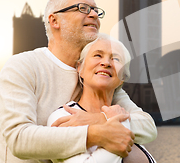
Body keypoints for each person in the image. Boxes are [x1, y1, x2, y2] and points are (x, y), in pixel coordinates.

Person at [0, 0, 157, 163]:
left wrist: (98, 119)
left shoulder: (96, 78)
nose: (94, 14)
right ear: (54, 20)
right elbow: (19, 139)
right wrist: (97, 133)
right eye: (83, 8)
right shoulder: (24, 66)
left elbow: (147, 126)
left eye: (96, 10)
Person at [47, 34, 155, 163]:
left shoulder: (122, 113)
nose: (106, 63)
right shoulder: (65, 116)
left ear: (123, 78)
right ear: (80, 68)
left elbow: (150, 129)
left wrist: (108, 119)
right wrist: (118, 124)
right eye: (98, 55)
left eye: (116, 59)